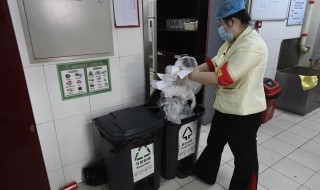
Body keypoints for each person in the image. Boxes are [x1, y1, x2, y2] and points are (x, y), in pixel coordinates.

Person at [186, 0, 268, 189]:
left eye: (220, 24)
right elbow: (214, 64)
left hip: (243, 112)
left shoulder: (251, 45)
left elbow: (225, 77)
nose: (219, 28)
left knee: (244, 158)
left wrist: (193, 76)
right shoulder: (232, 41)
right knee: (214, 142)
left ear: (232, 21)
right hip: (225, 106)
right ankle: (204, 172)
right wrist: (188, 71)